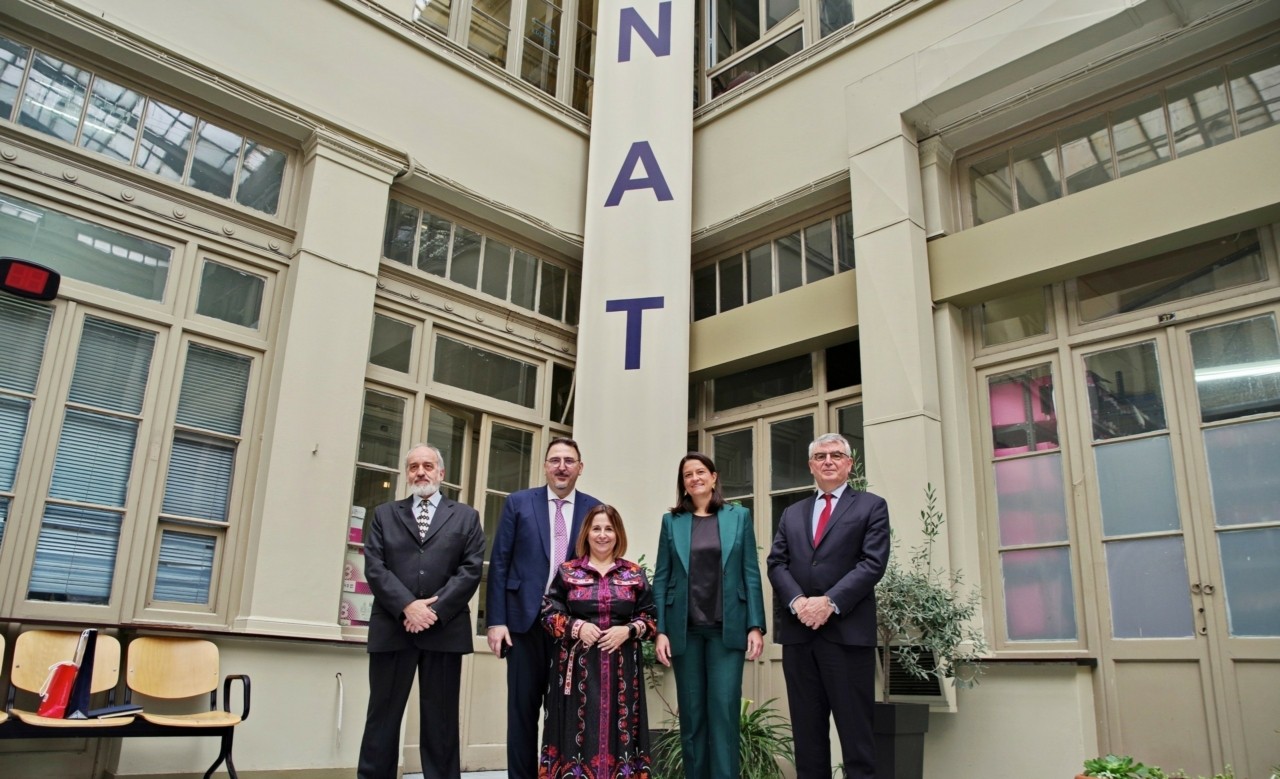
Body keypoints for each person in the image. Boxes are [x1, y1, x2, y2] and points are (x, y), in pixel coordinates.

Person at [357, 443, 485, 779]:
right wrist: (407, 607)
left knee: (441, 722)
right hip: (393, 628)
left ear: (441, 473)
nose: (420, 472)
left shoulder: (466, 517)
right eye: (414, 467)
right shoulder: (384, 514)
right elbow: (375, 567)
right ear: (406, 474)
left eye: (427, 466)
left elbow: (471, 569)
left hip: (444, 631)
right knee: (382, 717)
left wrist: (432, 611)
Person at [766, 433, 890, 779]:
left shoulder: (871, 506)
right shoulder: (792, 513)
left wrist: (830, 602)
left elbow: (872, 563)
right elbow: (776, 563)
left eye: (836, 455)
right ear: (811, 466)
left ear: (849, 464)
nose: (828, 461)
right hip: (800, 638)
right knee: (808, 739)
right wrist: (798, 602)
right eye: (820, 456)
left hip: (847, 637)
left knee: (857, 738)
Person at [485, 438, 601, 779]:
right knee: (522, 711)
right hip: (523, 624)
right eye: (555, 460)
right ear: (546, 465)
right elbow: (500, 563)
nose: (562, 466)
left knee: (566, 713)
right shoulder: (518, 503)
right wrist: (496, 621)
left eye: (569, 460)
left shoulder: (594, 509)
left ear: (580, 467)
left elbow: (598, 566)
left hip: (571, 628)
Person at [652, 452, 766, 779]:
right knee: (692, 716)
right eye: (688, 474)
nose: (695, 478)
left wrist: (755, 625)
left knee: (724, 713)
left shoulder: (738, 516)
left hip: (726, 630)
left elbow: (750, 572)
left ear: (714, 477)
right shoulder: (671, 522)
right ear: (683, 483)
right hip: (684, 630)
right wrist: (661, 630)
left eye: (700, 472)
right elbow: (662, 577)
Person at [539, 504, 656, 778]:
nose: (602, 535)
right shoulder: (568, 572)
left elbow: (652, 618)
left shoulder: (633, 574)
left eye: (608, 529)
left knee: (620, 728)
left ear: (618, 534)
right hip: (576, 670)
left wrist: (628, 630)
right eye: (596, 529)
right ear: (587, 533)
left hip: (622, 671)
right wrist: (576, 626)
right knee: (576, 731)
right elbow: (548, 614)